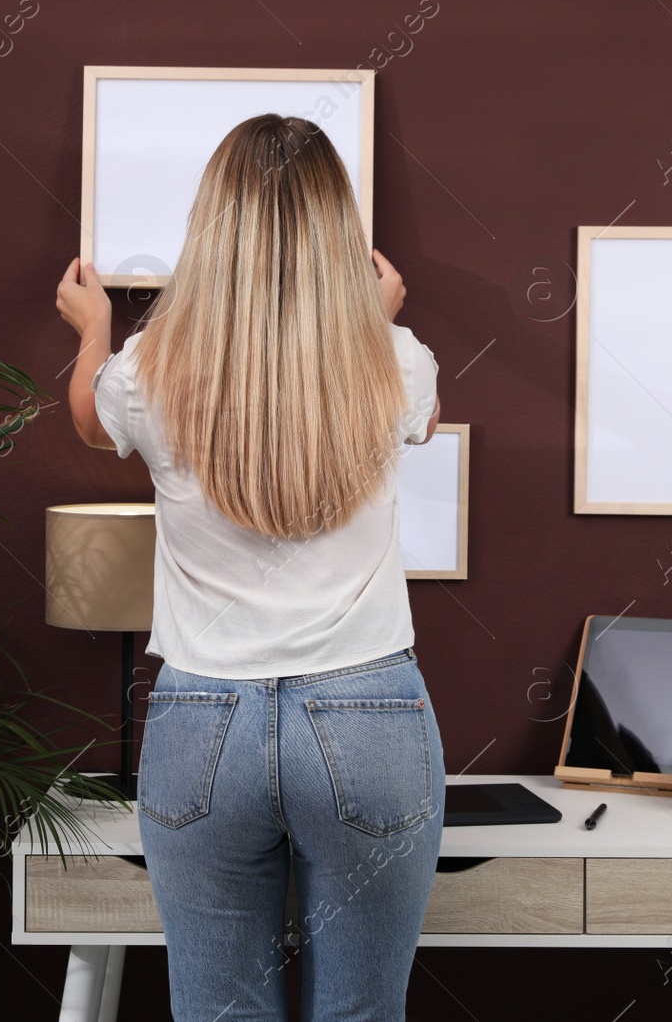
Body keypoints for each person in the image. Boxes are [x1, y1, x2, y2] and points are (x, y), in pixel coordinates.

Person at [53, 113, 445, 1022]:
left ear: (212, 226)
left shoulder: (151, 368)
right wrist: (374, 320)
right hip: (370, 714)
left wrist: (93, 329)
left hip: (204, 722)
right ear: (335, 236)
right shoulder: (393, 361)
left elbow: (86, 416)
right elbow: (416, 420)